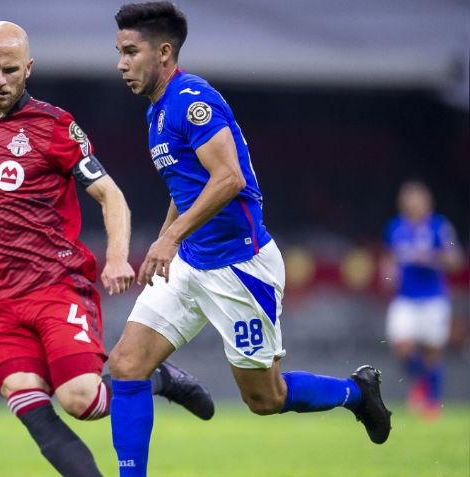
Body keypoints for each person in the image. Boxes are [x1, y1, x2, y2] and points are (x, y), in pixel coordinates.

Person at [0, 21, 213, 477]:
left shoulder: (54, 125)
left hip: (56, 286)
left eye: (10, 70)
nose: (1, 81)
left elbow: (111, 195)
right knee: (26, 397)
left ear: (28, 68)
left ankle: (159, 377)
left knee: (81, 400)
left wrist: (118, 257)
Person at [108, 3, 392, 475]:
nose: (120, 63)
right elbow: (187, 186)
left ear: (163, 52)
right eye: (118, 52)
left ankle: (356, 391)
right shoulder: (156, 110)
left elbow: (229, 179)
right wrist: (166, 242)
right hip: (191, 264)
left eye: (130, 52)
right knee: (126, 364)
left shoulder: (192, 99)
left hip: (239, 269)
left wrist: (169, 238)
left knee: (265, 398)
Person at [382, 180, 463, 420]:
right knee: (401, 346)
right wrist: (388, 274)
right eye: (407, 198)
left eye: (416, 198)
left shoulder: (440, 227)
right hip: (405, 298)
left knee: (432, 352)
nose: (412, 203)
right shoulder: (395, 228)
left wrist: (430, 258)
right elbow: (389, 259)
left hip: (433, 298)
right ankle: (424, 384)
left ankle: (431, 404)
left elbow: (455, 258)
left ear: (427, 202)